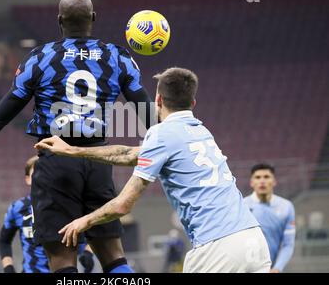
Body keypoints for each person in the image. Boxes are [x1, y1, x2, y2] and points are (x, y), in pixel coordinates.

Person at [0, 0, 153, 273]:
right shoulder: (117, 57)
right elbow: (146, 111)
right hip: (99, 161)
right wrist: (170, 146)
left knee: (63, 261)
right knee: (113, 257)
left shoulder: (40, 58)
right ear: (93, 18)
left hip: (55, 163)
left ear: (59, 20)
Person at [35, 67, 272, 273]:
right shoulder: (200, 131)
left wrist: (84, 222)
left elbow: (122, 205)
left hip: (218, 248)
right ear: (193, 103)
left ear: (157, 100)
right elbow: (130, 154)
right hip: (253, 240)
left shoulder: (160, 134)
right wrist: (74, 150)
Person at [0, 156, 95, 273]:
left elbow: (94, 235)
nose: (42, 178)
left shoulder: (70, 205)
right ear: (28, 179)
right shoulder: (17, 208)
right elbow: (3, 241)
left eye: (46, 173)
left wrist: (88, 253)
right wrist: (8, 268)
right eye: (37, 173)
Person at [244, 163, 296, 273]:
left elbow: (288, 244)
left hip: (273, 269)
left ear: (274, 182)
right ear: (251, 183)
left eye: (266, 177)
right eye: (258, 177)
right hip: (248, 268)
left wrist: (277, 268)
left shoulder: (286, 207)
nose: (262, 181)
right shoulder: (242, 207)